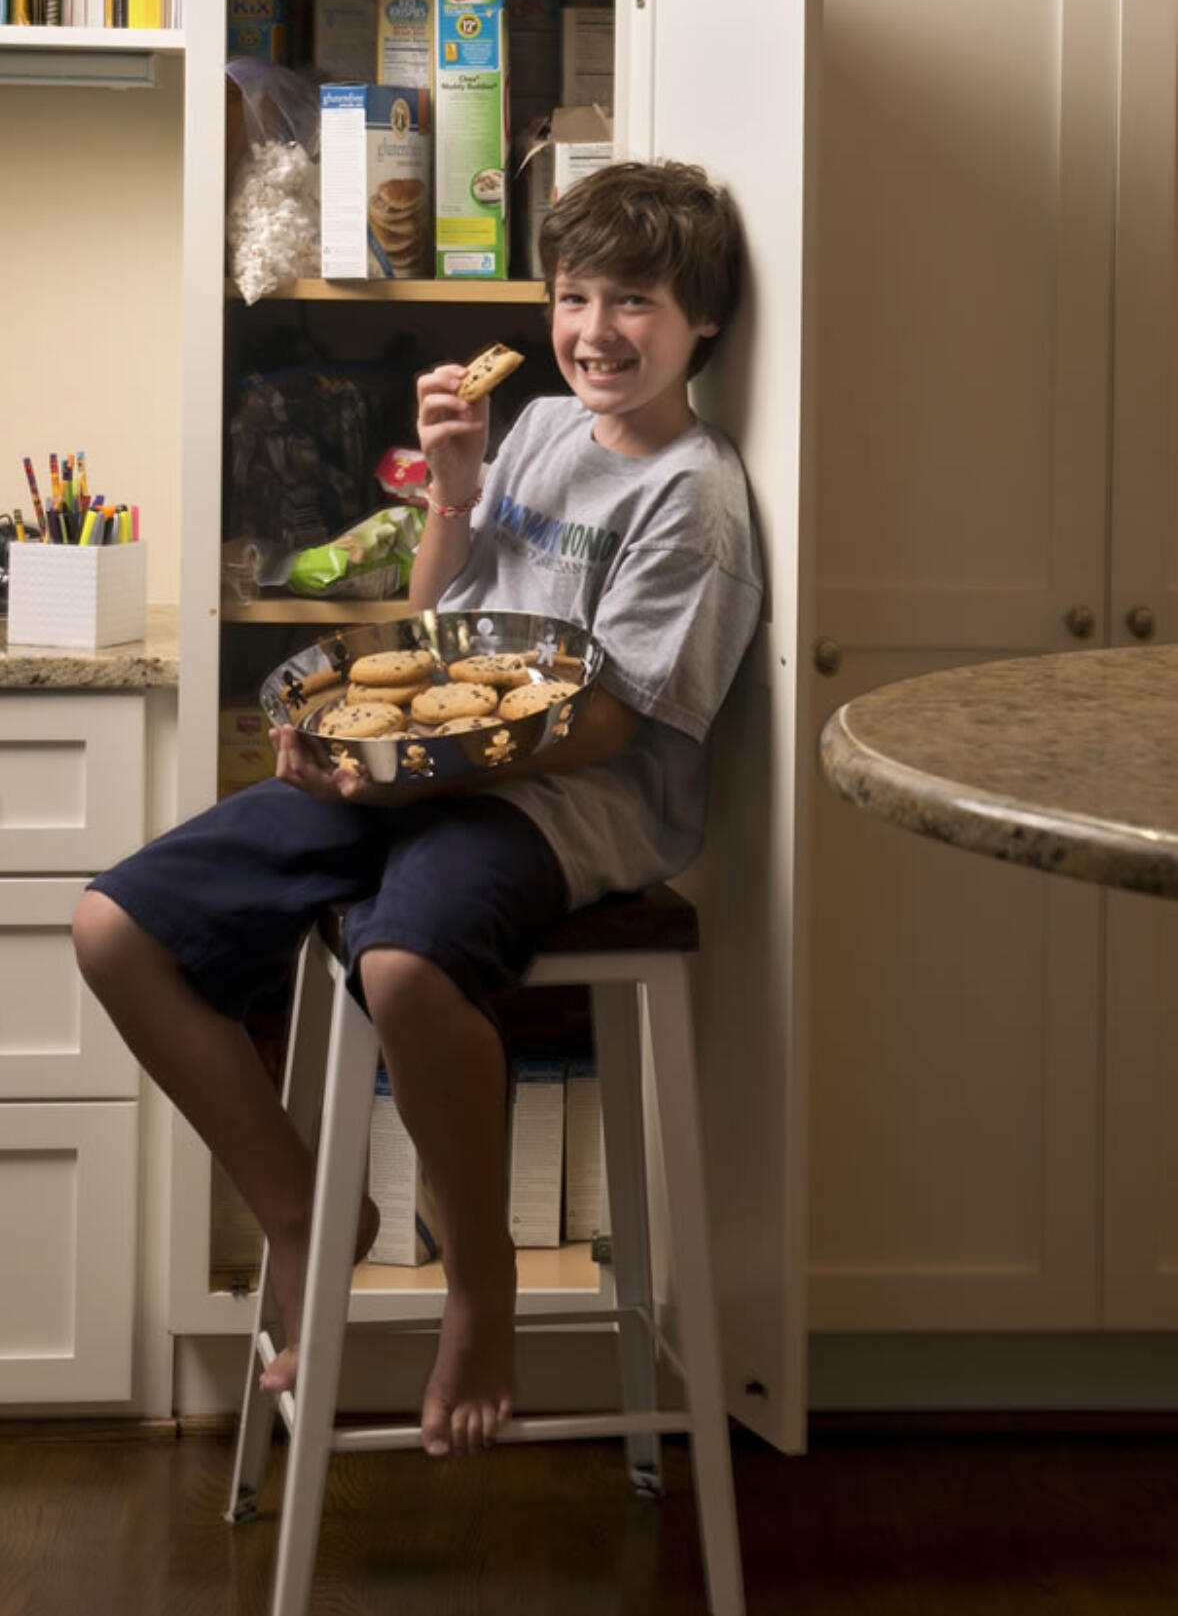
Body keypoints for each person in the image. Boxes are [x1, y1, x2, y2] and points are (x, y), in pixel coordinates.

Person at [72, 159, 763, 1459]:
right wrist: (451, 491)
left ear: (701, 320)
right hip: (436, 766)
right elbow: (440, 623)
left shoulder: (693, 494)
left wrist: (394, 769)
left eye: (634, 301)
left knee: (399, 966)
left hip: (574, 802)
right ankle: (305, 1212)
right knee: (116, 927)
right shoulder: (547, 426)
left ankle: (480, 1282)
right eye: (572, 297)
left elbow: (610, 719)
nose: (594, 330)